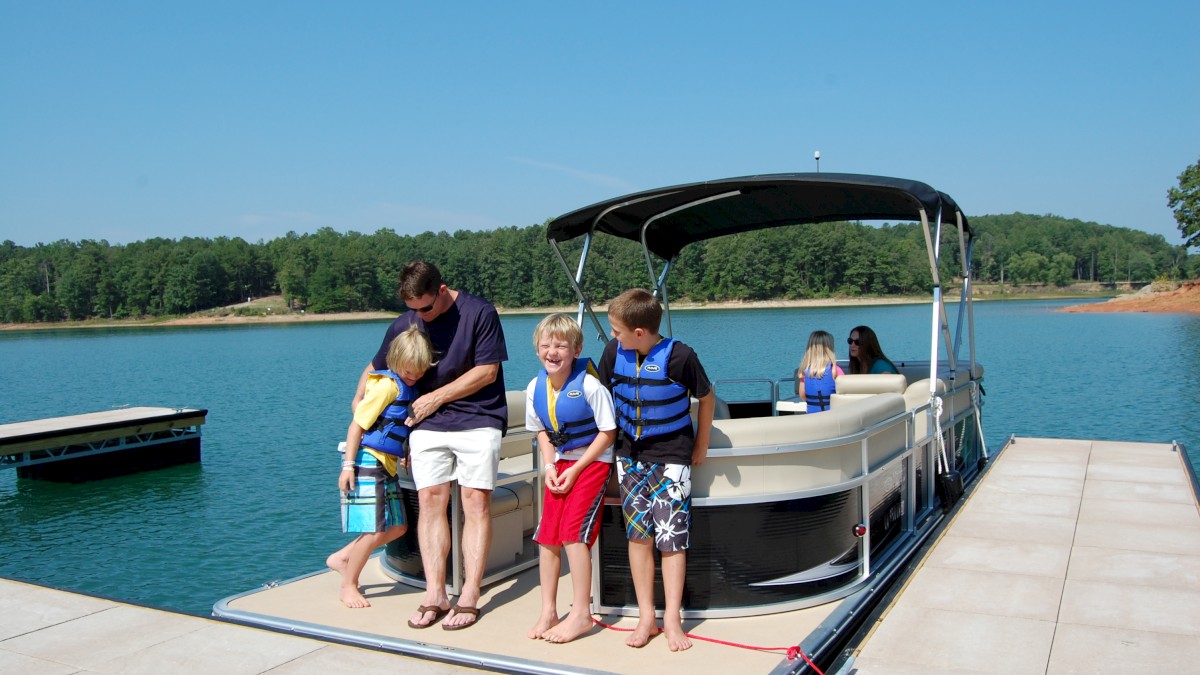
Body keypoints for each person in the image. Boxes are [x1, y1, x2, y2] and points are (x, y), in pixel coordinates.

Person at [352, 261, 508, 631]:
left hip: (478, 417)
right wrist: (359, 402)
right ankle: (435, 593)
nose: (419, 315)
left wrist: (436, 397)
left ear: (442, 289)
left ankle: (469, 593)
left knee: (475, 501)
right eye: (412, 308)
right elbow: (375, 367)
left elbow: (488, 371)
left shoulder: (479, 312)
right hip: (426, 425)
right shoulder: (408, 321)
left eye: (425, 307)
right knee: (430, 501)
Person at [596, 288, 715, 652]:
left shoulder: (681, 357)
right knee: (638, 537)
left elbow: (706, 397)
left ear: (639, 333)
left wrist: (702, 444)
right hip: (629, 456)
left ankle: (673, 619)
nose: (612, 336)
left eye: (616, 330)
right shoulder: (614, 352)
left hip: (672, 457)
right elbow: (601, 398)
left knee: (672, 540)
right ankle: (646, 616)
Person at [524, 313, 617, 644]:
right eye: (546, 345)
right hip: (559, 465)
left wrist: (576, 468)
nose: (552, 351)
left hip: (591, 464)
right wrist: (550, 468)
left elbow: (607, 432)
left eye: (561, 345)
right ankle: (548, 609)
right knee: (548, 535)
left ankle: (581, 613)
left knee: (573, 534)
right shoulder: (536, 387)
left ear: (576, 350)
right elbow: (542, 433)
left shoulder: (590, 386)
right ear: (537, 350)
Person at [328, 325, 434, 608]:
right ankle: (348, 584)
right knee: (375, 529)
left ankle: (342, 558)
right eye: (409, 371)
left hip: (386, 464)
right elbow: (357, 426)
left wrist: (404, 451)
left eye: (419, 371)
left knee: (397, 527)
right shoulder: (387, 386)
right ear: (397, 363)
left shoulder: (410, 387)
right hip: (366, 460)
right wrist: (348, 465)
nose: (413, 376)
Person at [795, 330, 845, 413]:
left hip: (813, 417)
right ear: (830, 350)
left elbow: (802, 395)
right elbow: (844, 394)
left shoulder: (805, 372)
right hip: (832, 417)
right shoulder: (835, 370)